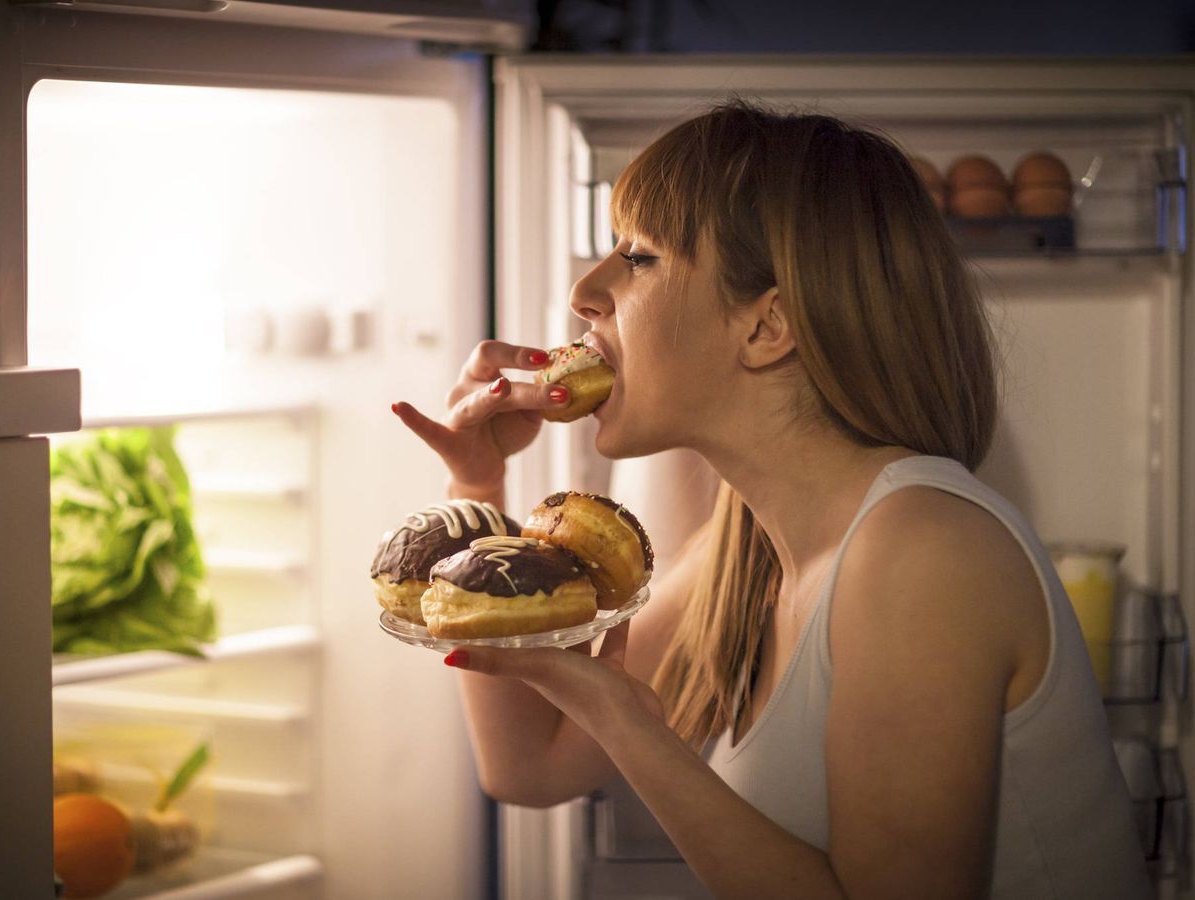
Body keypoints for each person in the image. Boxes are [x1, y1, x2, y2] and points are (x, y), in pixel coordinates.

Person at [391, 100, 1151, 899]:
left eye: (639, 257)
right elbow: (529, 767)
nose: (587, 290)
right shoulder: (745, 552)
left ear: (768, 327)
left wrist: (628, 723)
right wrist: (477, 487)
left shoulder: (924, 550)